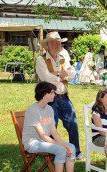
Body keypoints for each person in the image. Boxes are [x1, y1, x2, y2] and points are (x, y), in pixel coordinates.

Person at [22, 82, 84, 172]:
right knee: (60, 150)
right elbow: (42, 135)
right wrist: (60, 146)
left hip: (44, 141)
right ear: (44, 94)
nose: (54, 95)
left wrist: (61, 143)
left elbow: (53, 131)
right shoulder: (33, 110)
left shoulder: (49, 109)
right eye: (52, 93)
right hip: (32, 143)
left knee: (71, 147)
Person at [35, 31, 84, 160]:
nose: (57, 44)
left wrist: (64, 75)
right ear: (48, 45)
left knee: (72, 123)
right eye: (54, 42)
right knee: (52, 125)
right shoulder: (41, 60)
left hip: (64, 96)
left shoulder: (63, 57)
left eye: (59, 42)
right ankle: (51, 152)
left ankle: (76, 152)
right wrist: (60, 75)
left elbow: (72, 73)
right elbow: (45, 78)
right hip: (50, 98)